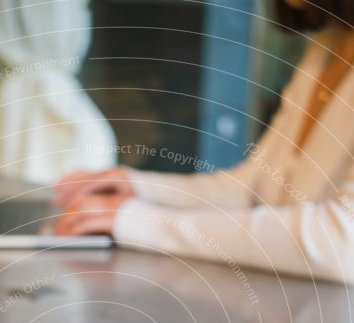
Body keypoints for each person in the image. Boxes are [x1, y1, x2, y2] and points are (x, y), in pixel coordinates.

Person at [53, 0, 354, 285]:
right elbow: (250, 189)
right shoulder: (325, 51)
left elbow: (342, 243)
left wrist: (137, 222)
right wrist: (137, 187)